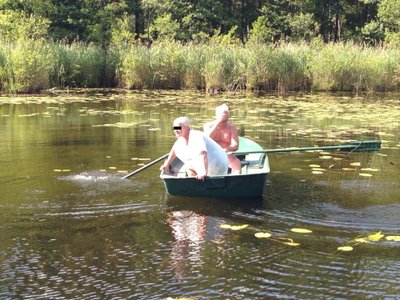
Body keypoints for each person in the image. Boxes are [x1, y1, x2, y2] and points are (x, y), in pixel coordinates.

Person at [160, 116, 228, 181]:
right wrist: (167, 164)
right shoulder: (181, 139)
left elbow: (202, 153)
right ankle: (196, 184)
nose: (176, 130)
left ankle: (199, 183)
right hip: (212, 164)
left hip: (217, 167)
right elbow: (174, 149)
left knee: (188, 165)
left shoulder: (195, 136)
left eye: (179, 127)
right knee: (188, 162)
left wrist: (203, 172)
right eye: (175, 128)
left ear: (187, 127)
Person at [203, 104, 241, 174]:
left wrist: (226, 149)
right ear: (216, 115)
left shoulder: (231, 127)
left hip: (226, 154)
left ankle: (236, 179)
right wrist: (218, 122)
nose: (224, 117)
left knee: (236, 162)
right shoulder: (208, 125)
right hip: (211, 154)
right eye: (222, 115)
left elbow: (235, 145)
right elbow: (206, 139)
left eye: (226, 115)